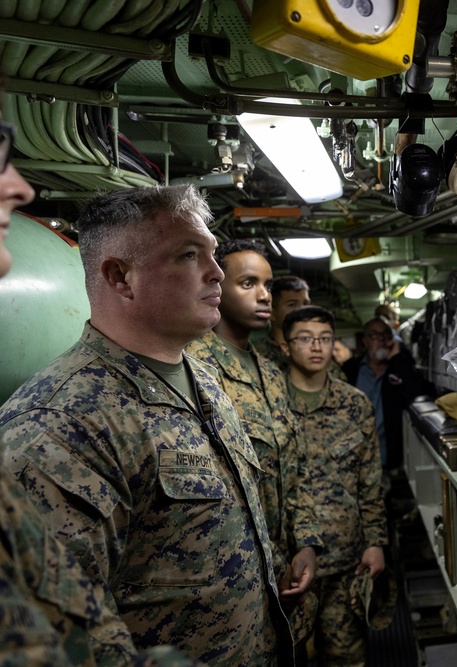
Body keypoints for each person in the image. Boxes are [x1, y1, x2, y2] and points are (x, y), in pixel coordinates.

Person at [0, 185, 292, 664]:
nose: (215, 272)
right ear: (120, 277)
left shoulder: (202, 379)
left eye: (212, 254)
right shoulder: (59, 425)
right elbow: (63, 642)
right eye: (188, 255)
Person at [185, 239, 322, 647]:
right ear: (216, 287)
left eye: (267, 283)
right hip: (233, 582)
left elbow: (295, 468)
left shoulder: (270, 373)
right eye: (248, 283)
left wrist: (307, 542)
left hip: (286, 569)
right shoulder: (193, 369)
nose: (265, 295)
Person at [282, 306, 388, 665]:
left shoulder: (355, 405)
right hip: (287, 564)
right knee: (287, 656)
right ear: (286, 346)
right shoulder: (268, 405)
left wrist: (375, 542)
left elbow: (370, 481)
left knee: (346, 657)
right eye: (306, 338)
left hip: (346, 559)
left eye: (325, 339)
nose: (317, 347)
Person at [343, 316, 424, 471]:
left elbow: (416, 392)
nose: (381, 339)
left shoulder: (399, 367)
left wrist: (397, 357)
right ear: (365, 341)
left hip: (388, 457)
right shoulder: (350, 370)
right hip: (353, 456)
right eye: (374, 335)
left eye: (386, 334)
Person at [257, 274, 351, 379]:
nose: (303, 309)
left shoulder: (319, 351)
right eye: (292, 305)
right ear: (272, 313)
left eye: (306, 303)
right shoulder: (258, 355)